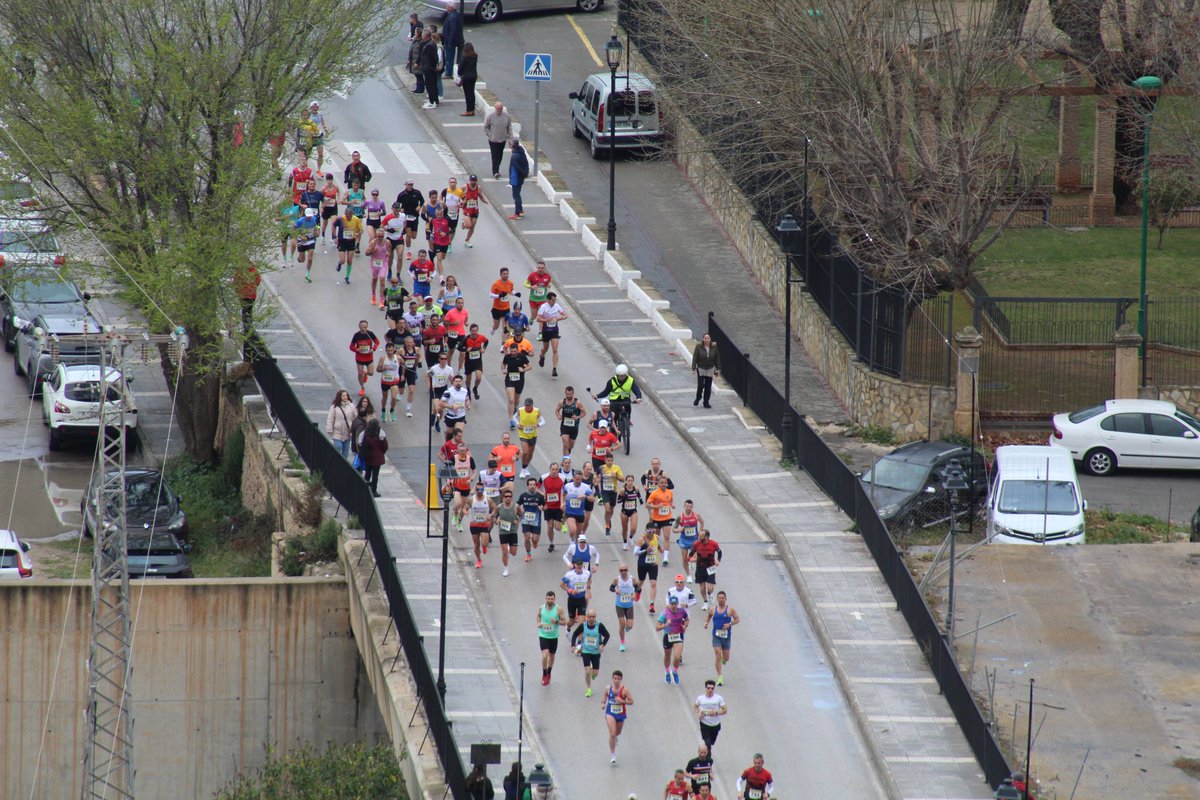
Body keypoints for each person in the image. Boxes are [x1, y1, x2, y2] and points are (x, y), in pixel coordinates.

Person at [570, 608, 610, 697]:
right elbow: (575, 634)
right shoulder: (583, 626)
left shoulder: (599, 626)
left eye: (593, 617)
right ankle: (588, 688)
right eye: (590, 617)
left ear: (595, 617)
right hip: (586, 651)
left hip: (596, 652)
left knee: (595, 673)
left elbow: (607, 635)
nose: (591, 618)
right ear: (587, 617)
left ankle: (593, 672)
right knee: (587, 671)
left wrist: (602, 644)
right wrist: (573, 645)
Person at [596, 363, 643, 434]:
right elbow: (606, 391)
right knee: (614, 416)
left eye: (623, 376)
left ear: (626, 374)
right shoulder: (611, 381)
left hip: (625, 399)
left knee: (628, 407)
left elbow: (636, 390)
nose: (621, 377)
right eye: (619, 376)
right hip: (614, 400)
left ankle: (628, 419)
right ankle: (613, 431)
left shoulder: (630, 380)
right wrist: (598, 396)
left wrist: (638, 398)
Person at [704, 590, 740, 685]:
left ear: (725, 599)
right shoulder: (713, 609)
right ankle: (720, 677)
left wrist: (730, 624)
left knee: (726, 658)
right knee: (717, 654)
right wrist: (706, 623)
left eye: (722, 598)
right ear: (717, 599)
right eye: (719, 598)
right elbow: (709, 616)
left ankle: (723, 660)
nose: (721, 600)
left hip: (726, 637)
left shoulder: (730, 610)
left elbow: (737, 619)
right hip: (716, 636)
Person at [602, 670, 634, 764]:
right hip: (610, 713)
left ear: (621, 680)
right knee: (612, 733)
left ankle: (615, 737)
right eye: (615, 678)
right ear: (612, 679)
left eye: (618, 679)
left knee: (618, 732)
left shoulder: (625, 690)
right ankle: (613, 755)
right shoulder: (608, 688)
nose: (616, 681)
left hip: (620, 714)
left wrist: (622, 701)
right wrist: (603, 703)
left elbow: (631, 701)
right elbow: (604, 697)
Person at [537, 591, 568, 685]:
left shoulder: (559, 609)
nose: (550, 600)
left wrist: (556, 621)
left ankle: (549, 672)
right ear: (546, 599)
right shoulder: (541, 608)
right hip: (543, 635)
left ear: (554, 599)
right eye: (548, 598)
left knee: (552, 655)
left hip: (553, 636)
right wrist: (538, 623)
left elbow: (564, 622)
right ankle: (544, 673)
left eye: (551, 599)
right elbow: (538, 617)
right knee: (545, 655)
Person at [656, 595, 689, 685]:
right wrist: (666, 625)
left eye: (675, 604)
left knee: (677, 656)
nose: (674, 606)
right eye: (672, 604)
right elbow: (657, 628)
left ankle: (675, 671)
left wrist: (685, 626)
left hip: (679, 636)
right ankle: (667, 671)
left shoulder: (682, 612)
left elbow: (686, 619)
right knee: (667, 655)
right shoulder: (665, 614)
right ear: (669, 604)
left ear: (677, 604)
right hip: (668, 636)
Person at [609, 564, 640, 651]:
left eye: (625, 570)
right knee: (622, 624)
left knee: (630, 626)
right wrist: (615, 590)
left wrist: (634, 594)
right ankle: (622, 643)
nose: (623, 572)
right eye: (621, 570)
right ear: (619, 571)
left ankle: (627, 628)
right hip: (620, 604)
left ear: (627, 570)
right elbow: (611, 588)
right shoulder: (617, 580)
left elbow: (637, 588)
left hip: (629, 604)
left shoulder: (632, 579)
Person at [690, 528, 723, 609]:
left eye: (701, 536)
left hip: (711, 566)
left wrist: (718, 560)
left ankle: (710, 593)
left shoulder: (714, 544)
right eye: (699, 535)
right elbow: (691, 553)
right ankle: (705, 602)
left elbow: (719, 552)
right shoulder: (696, 544)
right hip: (700, 567)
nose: (699, 537)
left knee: (710, 587)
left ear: (707, 537)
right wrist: (691, 559)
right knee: (702, 587)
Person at [235, 259, 261, 358]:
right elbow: (258, 280)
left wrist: (238, 291)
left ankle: (246, 327)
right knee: (249, 310)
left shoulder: (239, 271)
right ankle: (249, 327)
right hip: (251, 295)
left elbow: (235, 282)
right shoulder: (254, 270)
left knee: (244, 310)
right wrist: (253, 287)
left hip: (243, 294)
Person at [647, 474, 676, 563]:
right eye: (662, 483)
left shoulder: (669, 492)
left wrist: (672, 504)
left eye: (665, 483)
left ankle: (665, 558)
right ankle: (654, 554)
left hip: (667, 518)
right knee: (656, 537)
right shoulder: (654, 493)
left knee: (667, 537)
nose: (664, 484)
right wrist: (657, 506)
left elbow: (671, 500)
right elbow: (647, 504)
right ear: (658, 484)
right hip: (657, 518)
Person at [536, 292, 567, 375]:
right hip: (546, 330)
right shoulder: (543, 307)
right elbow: (538, 319)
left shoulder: (557, 306)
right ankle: (542, 356)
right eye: (553, 300)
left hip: (554, 330)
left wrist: (558, 318)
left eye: (555, 300)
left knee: (555, 349)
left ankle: (554, 369)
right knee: (545, 349)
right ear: (548, 300)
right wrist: (546, 320)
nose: (554, 301)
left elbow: (565, 315)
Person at [512, 397, 544, 478]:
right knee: (525, 452)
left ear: (532, 405)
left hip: (533, 435)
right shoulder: (521, 410)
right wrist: (518, 424)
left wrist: (537, 425)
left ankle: (526, 467)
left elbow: (543, 421)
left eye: (529, 406)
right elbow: (514, 417)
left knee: (530, 454)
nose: (527, 407)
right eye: (526, 405)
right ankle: (523, 469)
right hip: (523, 434)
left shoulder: (537, 411)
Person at [674, 500, 705, 581]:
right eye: (687, 506)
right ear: (684, 506)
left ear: (692, 507)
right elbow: (674, 529)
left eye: (690, 507)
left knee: (694, 559)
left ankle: (692, 564)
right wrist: (679, 530)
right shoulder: (680, 517)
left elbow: (702, 522)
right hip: (684, 540)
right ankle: (688, 575)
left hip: (694, 540)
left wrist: (700, 532)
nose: (688, 508)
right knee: (684, 558)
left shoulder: (696, 515)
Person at [634, 525, 663, 612]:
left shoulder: (656, 537)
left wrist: (660, 549)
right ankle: (638, 590)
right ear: (646, 530)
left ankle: (652, 605)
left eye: (653, 531)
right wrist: (646, 550)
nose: (652, 534)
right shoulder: (641, 539)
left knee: (653, 583)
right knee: (640, 581)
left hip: (653, 564)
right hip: (643, 564)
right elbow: (635, 553)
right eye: (650, 532)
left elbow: (656, 544)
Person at [467, 484, 497, 569]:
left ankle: (484, 547)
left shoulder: (487, 499)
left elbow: (494, 508)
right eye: (478, 490)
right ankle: (479, 560)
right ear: (475, 490)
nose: (480, 492)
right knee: (476, 545)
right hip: (474, 525)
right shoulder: (471, 499)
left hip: (484, 524)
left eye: (481, 490)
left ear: (483, 490)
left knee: (484, 543)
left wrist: (491, 515)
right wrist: (465, 511)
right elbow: (465, 507)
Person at [448, 445, 477, 530]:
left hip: (466, 485)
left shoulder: (470, 459)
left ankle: (459, 523)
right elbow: (448, 469)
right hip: (456, 484)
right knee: (458, 503)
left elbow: (475, 472)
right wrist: (450, 479)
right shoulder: (454, 458)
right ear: (457, 450)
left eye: (463, 450)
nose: (462, 452)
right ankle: (455, 514)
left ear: (466, 450)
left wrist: (471, 479)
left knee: (463, 507)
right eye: (460, 450)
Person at [359, 418, 388, 498]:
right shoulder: (381, 434)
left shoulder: (365, 433)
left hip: (368, 457)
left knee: (367, 474)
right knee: (375, 475)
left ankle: (365, 489)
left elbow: (360, 442)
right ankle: (374, 491)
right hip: (378, 458)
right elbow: (385, 446)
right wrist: (382, 452)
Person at [516, 478, 545, 561]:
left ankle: (535, 542)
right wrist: (519, 511)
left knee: (535, 540)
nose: (532, 486)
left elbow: (546, 506)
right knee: (527, 538)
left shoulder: (540, 496)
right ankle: (528, 554)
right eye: (530, 485)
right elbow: (517, 505)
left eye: (534, 485)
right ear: (528, 486)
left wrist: (542, 507)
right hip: (525, 520)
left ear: (536, 485)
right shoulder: (523, 495)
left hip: (536, 521)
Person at [333, 206, 363, 284]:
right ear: (345, 214)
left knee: (350, 260)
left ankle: (347, 276)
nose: (348, 217)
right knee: (343, 260)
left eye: (350, 216)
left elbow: (361, 230)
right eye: (347, 216)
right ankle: (339, 264)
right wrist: (334, 236)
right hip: (342, 241)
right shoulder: (340, 219)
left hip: (351, 241)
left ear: (352, 214)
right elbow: (334, 225)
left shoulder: (356, 219)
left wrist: (357, 233)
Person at [562, 469, 594, 542]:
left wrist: (585, 496)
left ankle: (575, 547)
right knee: (573, 530)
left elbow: (593, 499)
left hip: (580, 513)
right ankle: (571, 541)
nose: (579, 481)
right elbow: (563, 494)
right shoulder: (568, 486)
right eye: (577, 479)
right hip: (570, 512)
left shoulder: (585, 487)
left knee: (578, 534)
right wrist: (563, 502)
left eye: (580, 479)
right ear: (573, 478)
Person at [694, 680, 727, 750]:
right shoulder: (700, 698)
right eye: (708, 688)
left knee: (712, 742)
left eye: (712, 688)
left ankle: (707, 750)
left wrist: (716, 712)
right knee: (707, 742)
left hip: (715, 724)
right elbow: (695, 706)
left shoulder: (718, 698)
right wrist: (698, 714)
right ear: (705, 688)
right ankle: (708, 758)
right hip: (704, 724)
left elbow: (725, 710)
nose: (710, 690)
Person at [494, 487, 520, 577]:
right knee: (504, 552)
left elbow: (522, 515)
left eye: (510, 496)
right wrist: (496, 521)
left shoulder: (516, 506)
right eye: (506, 496)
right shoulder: (499, 507)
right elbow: (495, 516)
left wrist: (518, 520)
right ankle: (506, 568)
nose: (508, 498)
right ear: (503, 498)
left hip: (513, 531)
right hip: (503, 531)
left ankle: (509, 548)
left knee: (513, 553)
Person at [349, 319, 379, 397]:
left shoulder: (370, 334)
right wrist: (357, 350)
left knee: (371, 373)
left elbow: (377, 342)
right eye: (362, 327)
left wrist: (373, 349)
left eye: (365, 327)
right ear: (359, 327)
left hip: (369, 357)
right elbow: (351, 346)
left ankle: (365, 373)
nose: (364, 329)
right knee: (359, 373)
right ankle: (362, 388)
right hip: (360, 357)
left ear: (367, 327)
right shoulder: (356, 335)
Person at [396, 179, 425, 258]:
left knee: (414, 236)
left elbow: (422, 201)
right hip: (406, 216)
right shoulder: (401, 195)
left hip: (415, 216)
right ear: (405, 185)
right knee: (409, 235)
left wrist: (419, 206)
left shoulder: (417, 193)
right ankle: (408, 252)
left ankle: (403, 231)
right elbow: (397, 204)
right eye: (409, 185)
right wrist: (400, 209)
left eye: (411, 184)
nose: (410, 186)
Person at [325, 389, 358, 458]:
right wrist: (329, 429)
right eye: (343, 396)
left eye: (346, 395)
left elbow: (356, 417)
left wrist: (355, 428)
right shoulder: (334, 407)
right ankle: (337, 463)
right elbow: (330, 418)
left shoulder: (351, 406)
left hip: (348, 433)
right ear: (340, 397)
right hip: (336, 433)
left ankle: (344, 467)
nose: (345, 397)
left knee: (345, 451)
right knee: (338, 447)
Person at [540, 461, 564, 554]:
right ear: (549, 469)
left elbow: (565, 490)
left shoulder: (562, 478)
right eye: (552, 469)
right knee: (549, 526)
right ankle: (551, 543)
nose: (554, 471)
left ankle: (559, 521)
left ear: (558, 470)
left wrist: (563, 502)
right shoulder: (543, 477)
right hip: (548, 506)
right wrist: (543, 495)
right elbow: (538, 488)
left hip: (558, 506)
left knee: (558, 528)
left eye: (556, 469)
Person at [484, 102, 512, 179]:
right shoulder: (490, 116)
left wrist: (510, 139)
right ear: (495, 108)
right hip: (493, 140)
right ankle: (495, 171)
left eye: (501, 108)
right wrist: (489, 134)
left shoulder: (507, 116)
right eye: (498, 108)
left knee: (500, 155)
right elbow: (485, 126)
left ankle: (496, 169)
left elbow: (509, 128)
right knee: (495, 155)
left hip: (502, 139)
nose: (499, 110)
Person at [427, 352, 454, 431]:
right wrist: (430, 385)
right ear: (439, 359)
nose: (444, 360)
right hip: (435, 389)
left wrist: (453, 382)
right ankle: (433, 415)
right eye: (442, 359)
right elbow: (427, 376)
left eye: (445, 359)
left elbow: (451, 379)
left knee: (441, 410)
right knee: (436, 408)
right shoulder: (434, 368)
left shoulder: (449, 369)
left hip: (444, 389)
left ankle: (437, 423)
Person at [598, 452, 624, 536]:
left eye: (611, 460)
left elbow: (623, 479)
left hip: (613, 491)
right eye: (608, 460)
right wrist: (598, 488)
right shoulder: (601, 468)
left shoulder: (616, 468)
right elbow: (597, 478)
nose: (610, 462)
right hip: (605, 491)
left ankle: (608, 520)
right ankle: (607, 525)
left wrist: (615, 476)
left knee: (611, 509)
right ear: (605, 460)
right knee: (607, 509)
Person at [555, 386, 585, 457]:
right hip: (564, 426)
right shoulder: (562, 402)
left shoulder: (578, 403)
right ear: (565, 393)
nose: (569, 396)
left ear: (573, 394)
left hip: (574, 427)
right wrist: (558, 416)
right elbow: (556, 410)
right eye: (567, 394)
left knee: (570, 446)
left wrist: (577, 417)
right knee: (565, 444)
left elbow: (584, 413)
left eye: (570, 394)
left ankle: (567, 455)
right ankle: (565, 460)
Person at [377, 342, 403, 422]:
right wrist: (382, 369)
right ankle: (383, 411)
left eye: (391, 350)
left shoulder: (398, 358)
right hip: (385, 381)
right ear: (386, 350)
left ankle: (392, 410)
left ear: (394, 350)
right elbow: (378, 369)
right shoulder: (383, 358)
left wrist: (403, 375)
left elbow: (404, 365)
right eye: (388, 350)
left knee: (394, 397)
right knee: (385, 397)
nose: (390, 352)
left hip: (394, 381)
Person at [560, 559, 591, 625]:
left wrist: (588, 591)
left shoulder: (587, 573)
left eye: (580, 568)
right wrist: (571, 591)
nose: (579, 570)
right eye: (577, 568)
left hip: (582, 600)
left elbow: (589, 580)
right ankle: (568, 629)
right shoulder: (569, 575)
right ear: (574, 566)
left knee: (581, 623)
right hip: (572, 600)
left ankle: (579, 635)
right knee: (571, 622)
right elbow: (562, 585)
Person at [365, 227, 390, 307]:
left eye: (382, 236)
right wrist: (372, 251)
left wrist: (388, 254)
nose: (380, 238)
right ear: (376, 235)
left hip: (383, 264)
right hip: (374, 264)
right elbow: (366, 253)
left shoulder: (387, 242)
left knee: (382, 280)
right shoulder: (373, 242)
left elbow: (389, 251)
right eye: (379, 236)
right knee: (374, 279)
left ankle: (382, 300)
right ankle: (373, 295)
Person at [616, 474, 642, 549]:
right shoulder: (623, 490)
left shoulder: (636, 488)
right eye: (628, 481)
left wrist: (640, 500)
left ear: (633, 481)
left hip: (633, 510)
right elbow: (618, 501)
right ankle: (624, 542)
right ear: (626, 482)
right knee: (625, 529)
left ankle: (630, 537)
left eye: (631, 481)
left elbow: (638, 495)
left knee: (634, 528)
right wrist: (624, 497)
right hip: (624, 511)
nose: (630, 482)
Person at [463, 323, 489, 399]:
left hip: (478, 361)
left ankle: (475, 388)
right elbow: (460, 347)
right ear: (470, 331)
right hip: (468, 362)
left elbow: (486, 341)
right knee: (468, 379)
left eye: (475, 331)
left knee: (478, 377)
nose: (474, 332)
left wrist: (484, 348)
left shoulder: (481, 337)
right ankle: (468, 390)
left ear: (477, 331)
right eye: (473, 331)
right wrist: (466, 349)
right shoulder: (466, 339)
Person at [461, 174, 488, 246]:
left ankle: (467, 240)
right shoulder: (465, 187)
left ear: (476, 181)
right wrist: (461, 202)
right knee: (468, 225)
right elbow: (459, 194)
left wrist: (485, 201)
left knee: (472, 226)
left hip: (475, 210)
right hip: (466, 209)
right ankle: (464, 222)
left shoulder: (478, 188)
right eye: (472, 180)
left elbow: (481, 196)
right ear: (469, 180)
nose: (473, 182)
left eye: (474, 180)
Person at [399, 335, 422, 417]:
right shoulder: (402, 350)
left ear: (413, 343)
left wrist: (415, 367)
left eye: (411, 342)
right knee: (401, 392)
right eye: (407, 342)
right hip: (402, 371)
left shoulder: (416, 349)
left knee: (412, 390)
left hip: (411, 371)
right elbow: (396, 358)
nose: (409, 344)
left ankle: (408, 409)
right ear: (405, 343)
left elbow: (417, 358)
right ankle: (401, 388)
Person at [508, 138, 530, 220]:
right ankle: (520, 210)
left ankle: (517, 213)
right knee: (518, 194)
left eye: (509, 145)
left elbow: (516, 168)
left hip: (516, 178)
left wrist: (521, 174)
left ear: (512, 146)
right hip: (521, 178)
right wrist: (525, 173)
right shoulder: (522, 153)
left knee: (516, 196)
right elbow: (526, 164)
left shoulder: (514, 156)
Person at [418, 29, 440, 109]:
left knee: (430, 85)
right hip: (429, 67)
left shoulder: (429, 45)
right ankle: (434, 100)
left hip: (429, 67)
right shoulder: (430, 44)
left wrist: (434, 66)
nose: (422, 37)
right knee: (432, 84)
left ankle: (432, 101)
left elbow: (433, 57)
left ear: (426, 36)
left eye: (423, 36)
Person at [442, 1, 464, 79]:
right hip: (454, 40)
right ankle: (451, 71)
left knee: (449, 57)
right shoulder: (454, 15)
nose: (446, 7)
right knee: (450, 57)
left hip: (451, 41)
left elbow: (453, 31)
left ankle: (448, 73)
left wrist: (449, 42)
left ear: (450, 7)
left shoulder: (452, 17)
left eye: (447, 6)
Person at [489, 266, 515, 334]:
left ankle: (503, 343)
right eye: (504, 274)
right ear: (500, 275)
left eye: (507, 274)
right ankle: (493, 328)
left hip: (506, 308)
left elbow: (511, 291)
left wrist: (516, 294)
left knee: (505, 327)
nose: (506, 275)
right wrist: (499, 296)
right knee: (496, 326)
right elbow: (490, 295)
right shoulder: (496, 284)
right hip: (497, 308)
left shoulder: (510, 283)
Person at [319, 173, 341, 248]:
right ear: (326, 180)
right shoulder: (323, 188)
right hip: (326, 208)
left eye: (331, 180)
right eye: (328, 180)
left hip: (333, 207)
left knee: (333, 223)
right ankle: (323, 236)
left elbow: (338, 193)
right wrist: (322, 205)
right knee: (325, 224)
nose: (330, 182)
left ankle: (333, 238)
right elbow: (319, 197)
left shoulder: (336, 187)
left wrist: (338, 199)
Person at [307, 101, 329, 171]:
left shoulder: (320, 114)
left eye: (316, 107)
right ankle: (305, 168)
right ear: (311, 108)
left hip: (319, 136)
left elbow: (323, 123)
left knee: (321, 154)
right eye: (313, 107)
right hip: (310, 137)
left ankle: (319, 170)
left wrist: (326, 130)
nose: (315, 108)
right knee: (307, 154)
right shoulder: (308, 115)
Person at [458, 42, 478, 116]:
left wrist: (459, 74)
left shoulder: (464, 57)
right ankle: (472, 109)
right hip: (473, 76)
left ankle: (468, 110)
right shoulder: (475, 56)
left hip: (466, 77)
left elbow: (460, 69)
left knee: (467, 94)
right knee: (472, 93)